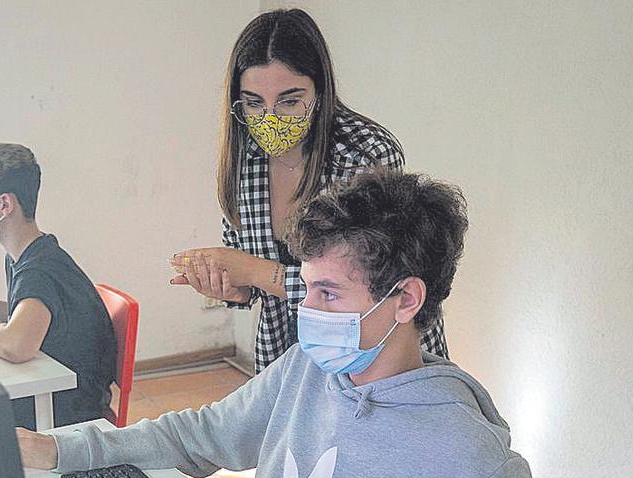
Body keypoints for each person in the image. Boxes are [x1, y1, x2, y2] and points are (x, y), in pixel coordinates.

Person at [21, 168, 604, 478]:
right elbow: (197, 437)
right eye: (307, 289)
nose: (306, 313)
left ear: (406, 300)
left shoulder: (471, 460)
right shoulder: (307, 370)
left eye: (328, 294)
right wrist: (64, 449)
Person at [170, 8, 448, 374]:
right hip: (287, 356)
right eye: (253, 102)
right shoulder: (244, 161)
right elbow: (250, 276)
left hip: (375, 356)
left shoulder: (366, 155)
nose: (271, 118)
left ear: (320, 91)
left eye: (289, 100)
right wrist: (233, 286)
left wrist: (256, 273)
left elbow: (369, 289)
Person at [0, 141, 116, 430]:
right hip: (62, 397)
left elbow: (16, 345)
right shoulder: (32, 254)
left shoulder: (39, 270)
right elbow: (27, 314)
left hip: (68, 413)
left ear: (4, 204)